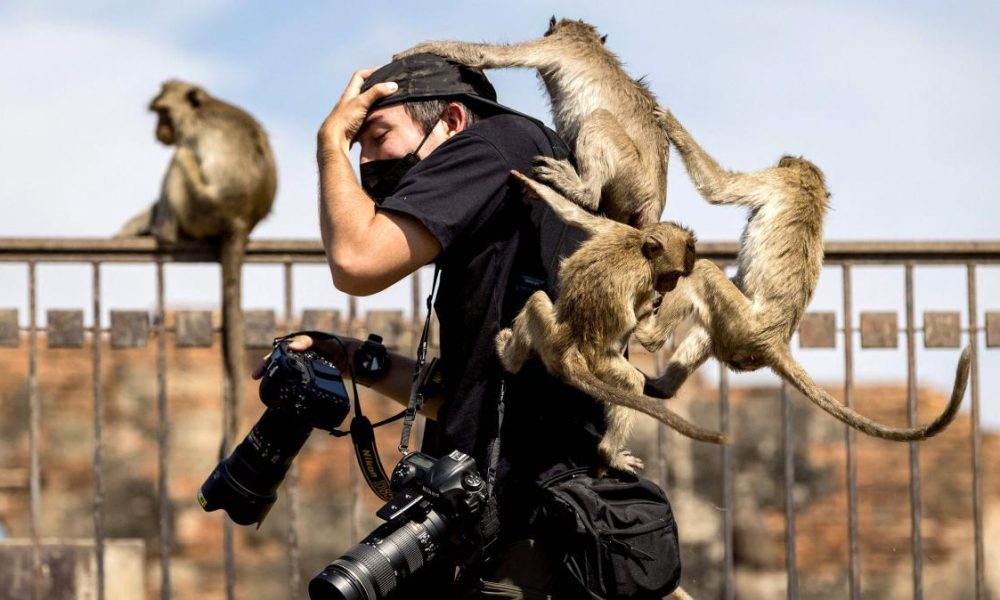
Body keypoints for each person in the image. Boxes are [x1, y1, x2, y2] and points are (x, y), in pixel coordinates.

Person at [258, 54, 607, 598]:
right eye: (357, 146)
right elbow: (464, 396)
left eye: (376, 135)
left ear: (451, 121)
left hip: (531, 520)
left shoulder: (496, 146)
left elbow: (356, 261)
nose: (367, 160)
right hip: (498, 510)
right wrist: (355, 359)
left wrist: (330, 143)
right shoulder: (501, 197)